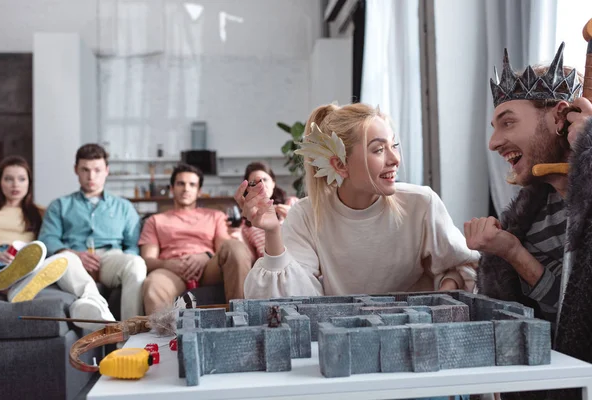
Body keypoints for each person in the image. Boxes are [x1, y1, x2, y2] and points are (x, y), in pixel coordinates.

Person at [235, 103, 479, 299]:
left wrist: (450, 285)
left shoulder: (421, 204)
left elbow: (467, 266)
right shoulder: (307, 215)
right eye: (378, 149)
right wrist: (273, 233)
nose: (395, 159)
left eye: (393, 145)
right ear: (340, 165)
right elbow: (291, 300)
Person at [465, 43, 592, 399]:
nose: (493, 142)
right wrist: (510, 252)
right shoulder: (535, 213)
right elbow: (562, 315)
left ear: (559, 117)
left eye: (508, 122)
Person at [0, 155, 115, 330]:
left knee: (67, 258)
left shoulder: (41, 212)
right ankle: (10, 283)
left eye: (21, 179)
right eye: (8, 179)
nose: (15, 185)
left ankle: (95, 306)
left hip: (28, 259)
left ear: (29, 182)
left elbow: (50, 239)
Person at [38, 144, 146, 322]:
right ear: (76, 170)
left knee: (136, 263)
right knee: (65, 260)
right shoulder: (59, 205)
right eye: (85, 170)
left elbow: (133, 245)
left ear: (107, 171)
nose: (91, 176)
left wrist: (121, 261)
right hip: (73, 260)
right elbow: (48, 239)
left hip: (111, 258)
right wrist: (75, 255)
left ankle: (130, 336)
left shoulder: (124, 207)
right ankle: (99, 309)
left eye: (97, 170)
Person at [139, 164, 253, 314]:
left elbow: (224, 249)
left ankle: (241, 318)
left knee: (235, 247)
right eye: (181, 184)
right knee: (153, 284)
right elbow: (147, 260)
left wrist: (206, 257)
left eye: (192, 184)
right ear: (172, 189)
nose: (186, 189)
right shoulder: (155, 220)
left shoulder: (215, 216)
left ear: (199, 191)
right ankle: (163, 336)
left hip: (207, 268)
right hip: (172, 271)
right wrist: (167, 264)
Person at [240, 161, 298, 260]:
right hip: (269, 266)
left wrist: (295, 219)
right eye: (254, 183)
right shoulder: (246, 223)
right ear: (248, 189)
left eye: (265, 180)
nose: (261, 185)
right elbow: (251, 259)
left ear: (273, 183)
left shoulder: (292, 203)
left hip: (298, 258)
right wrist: (238, 236)